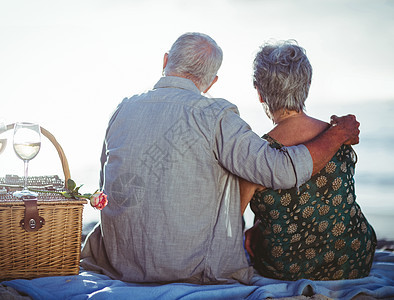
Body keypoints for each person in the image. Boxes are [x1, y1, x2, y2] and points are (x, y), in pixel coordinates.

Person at [81, 32, 360, 284]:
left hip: (119, 262)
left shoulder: (122, 110)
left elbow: (107, 185)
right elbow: (283, 170)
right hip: (189, 271)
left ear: (166, 61)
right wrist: (337, 134)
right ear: (211, 82)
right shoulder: (216, 117)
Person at [241, 40, 376, 281]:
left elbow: (231, 221)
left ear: (260, 92)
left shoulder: (256, 154)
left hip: (287, 269)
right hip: (355, 258)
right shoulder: (339, 136)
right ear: (307, 84)